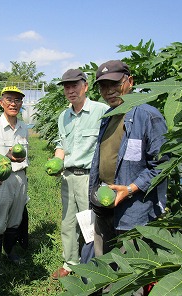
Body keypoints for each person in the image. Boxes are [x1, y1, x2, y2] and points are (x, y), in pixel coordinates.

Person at [88, 60, 168, 294]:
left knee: (130, 272)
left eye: (114, 84)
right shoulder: (108, 115)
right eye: (103, 86)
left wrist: (130, 188)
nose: (109, 91)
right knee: (104, 266)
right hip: (105, 203)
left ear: (129, 82)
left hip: (134, 209)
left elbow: (163, 165)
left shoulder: (148, 116)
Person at [51, 69, 109, 279]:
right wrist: (57, 160)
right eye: (66, 87)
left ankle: (93, 265)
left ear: (85, 86)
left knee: (91, 223)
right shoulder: (63, 116)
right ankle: (70, 263)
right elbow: (61, 144)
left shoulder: (101, 111)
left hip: (89, 177)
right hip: (68, 176)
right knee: (68, 222)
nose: (70, 90)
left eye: (74, 85)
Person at [0, 86, 29, 275]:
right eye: (9, 100)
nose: (13, 104)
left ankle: (10, 251)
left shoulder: (23, 127)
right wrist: (7, 156)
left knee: (16, 218)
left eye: (17, 100)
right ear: (2, 102)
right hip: (3, 180)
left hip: (21, 177)